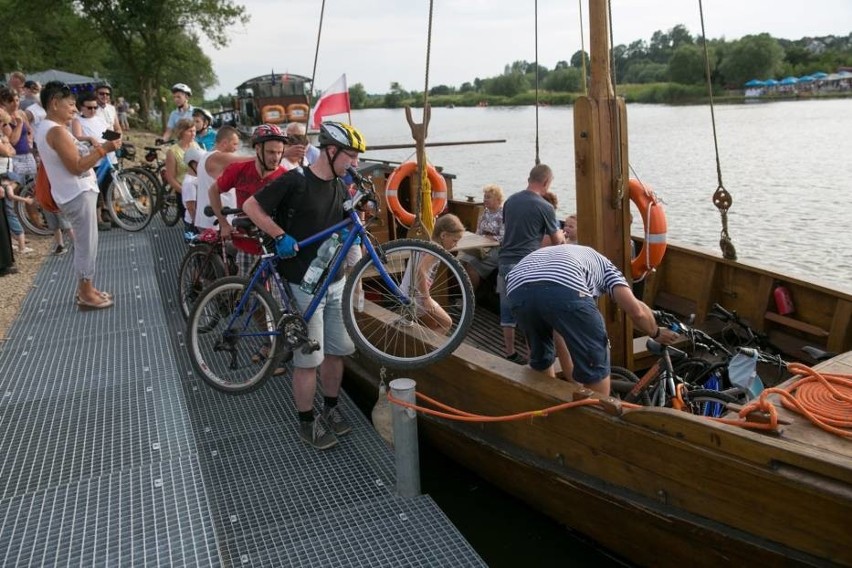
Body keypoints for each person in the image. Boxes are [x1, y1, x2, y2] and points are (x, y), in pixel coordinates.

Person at [242, 121, 367, 450]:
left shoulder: (340, 185)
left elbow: (344, 225)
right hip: (302, 283)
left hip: (335, 280)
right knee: (307, 360)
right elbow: (250, 206)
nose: (354, 163)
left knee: (337, 354)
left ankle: (331, 409)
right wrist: (279, 234)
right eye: (350, 156)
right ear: (330, 150)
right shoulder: (294, 180)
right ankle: (306, 422)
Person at [506, 244, 679, 396]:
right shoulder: (608, 268)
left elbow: (560, 331)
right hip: (565, 286)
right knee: (596, 368)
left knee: (541, 357)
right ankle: (595, 421)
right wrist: (656, 332)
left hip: (517, 286)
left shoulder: (578, 256)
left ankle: (544, 408)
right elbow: (637, 311)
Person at [35, 81, 122, 310]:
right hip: (77, 193)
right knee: (86, 245)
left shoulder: (50, 129)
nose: (74, 109)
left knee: (87, 243)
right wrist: (104, 149)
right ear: (54, 104)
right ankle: (85, 294)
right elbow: (77, 166)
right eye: (71, 105)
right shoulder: (55, 131)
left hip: (73, 192)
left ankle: (87, 288)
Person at [497, 163, 565, 364]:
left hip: (504, 261)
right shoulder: (545, 207)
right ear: (546, 182)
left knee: (507, 310)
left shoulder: (510, 201)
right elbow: (557, 242)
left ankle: (509, 352)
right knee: (530, 313)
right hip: (526, 265)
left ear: (529, 179)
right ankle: (531, 355)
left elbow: (511, 229)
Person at [401, 213, 465, 333]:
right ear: (443, 235)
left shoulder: (426, 244)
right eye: (454, 240)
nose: (455, 245)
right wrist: (426, 298)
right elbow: (421, 270)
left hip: (405, 292)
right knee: (446, 323)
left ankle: (423, 346)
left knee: (431, 326)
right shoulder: (435, 250)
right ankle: (432, 351)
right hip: (417, 298)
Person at [72, 91, 115, 231]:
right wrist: (89, 138)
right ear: (81, 107)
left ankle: (111, 213)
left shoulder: (99, 118)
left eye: (95, 107)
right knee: (95, 189)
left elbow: (108, 132)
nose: (93, 110)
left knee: (109, 186)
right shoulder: (78, 120)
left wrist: (116, 138)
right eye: (89, 108)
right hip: (92, 159)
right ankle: (97, 218)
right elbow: (76, 136)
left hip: (106, 156)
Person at [192, 125, 248, 230]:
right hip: (216, 222)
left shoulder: (206, 155)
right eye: (234, 144)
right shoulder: (218, 157)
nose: (236, 148)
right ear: (224, 143)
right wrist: (283, 153)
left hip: (208, 219)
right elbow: (253, 161)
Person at [458, 184, 504, 291]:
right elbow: (478, 232)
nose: (485, 200)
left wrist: (489, 239)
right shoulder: (485, 212)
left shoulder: (503, 214)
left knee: (471, 265)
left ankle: (471, 297)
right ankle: (462, 293)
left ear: (498, 199)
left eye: (488, 197)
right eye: (484, 197)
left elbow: (503, 237)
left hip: (497, 249)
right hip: (482, 245)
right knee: (461, 260)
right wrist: (481, 238)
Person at [162, 118, 200, 212]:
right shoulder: (173, 152)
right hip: (184, 190)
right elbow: (171, 177)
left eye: (194, 131)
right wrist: (184, 192)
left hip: (198, 189)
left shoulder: (195, 145)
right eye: (190, 131)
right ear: (182, 132)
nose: (193, 134)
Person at [181, 147, 205, 234]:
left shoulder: (197, 179)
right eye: (202, 164)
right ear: (194, 165)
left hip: (200, 220)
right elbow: (191, 207)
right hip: (193, 222)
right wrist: (198, 226)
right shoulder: (189, 183)